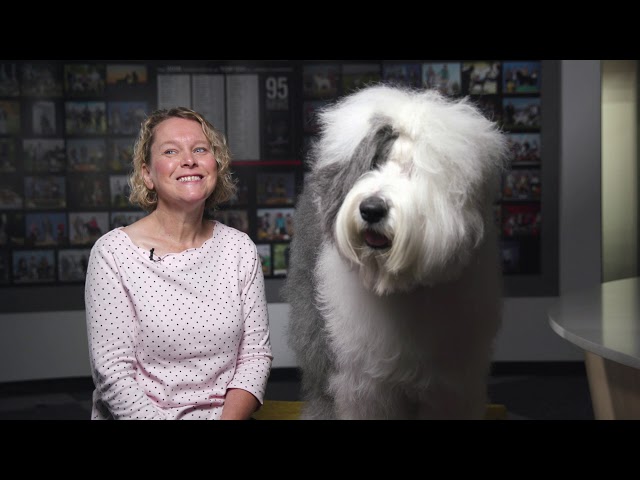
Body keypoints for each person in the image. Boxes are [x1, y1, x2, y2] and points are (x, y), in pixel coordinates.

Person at [85, 107, 273, 420]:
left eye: (200, 149)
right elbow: (113, 374)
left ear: (216, 165)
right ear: (147, 174)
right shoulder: (113, 254)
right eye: (171, 151)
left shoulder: (239, 249)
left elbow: (255, 356)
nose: (189, 160)